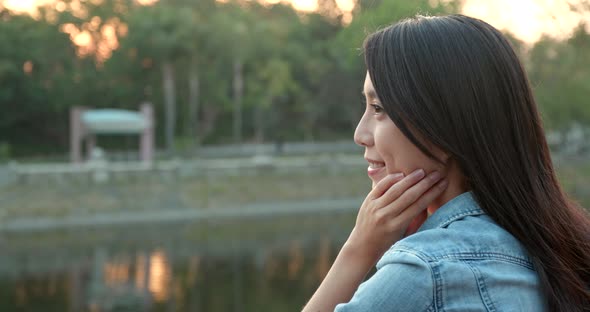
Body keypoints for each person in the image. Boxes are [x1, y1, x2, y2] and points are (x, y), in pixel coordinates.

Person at [302, 14, 590, 312]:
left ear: (441, 127)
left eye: (378, 108)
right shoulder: (562, 251)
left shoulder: (425, 272)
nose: (360, 135)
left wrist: (357, 251)